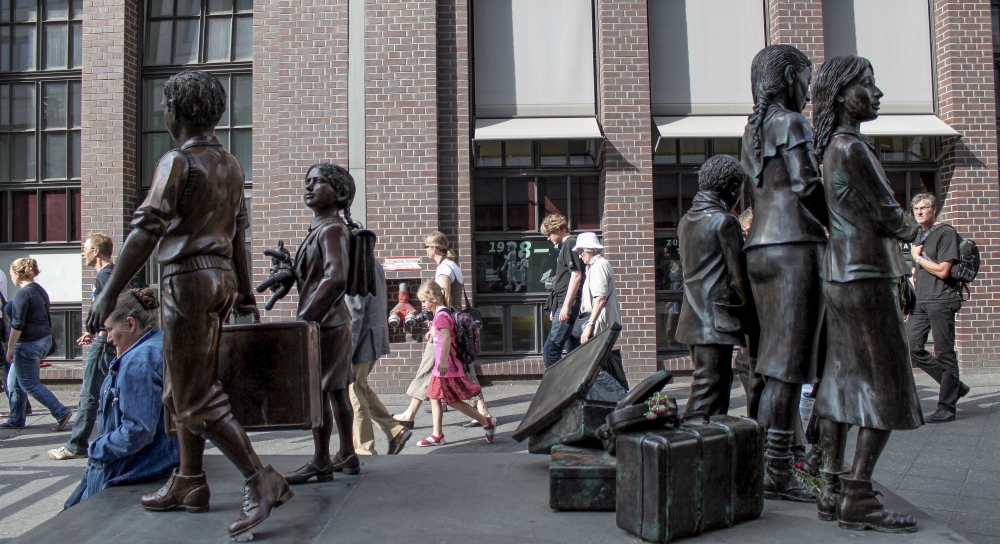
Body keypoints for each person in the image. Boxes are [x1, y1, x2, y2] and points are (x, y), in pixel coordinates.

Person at [86, 70, 290, 539]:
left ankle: (262, 480)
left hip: (189, 280)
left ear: (177, 111)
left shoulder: (178, 161)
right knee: (178, 390)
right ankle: (190, 480)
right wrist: (242, 290)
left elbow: (145, 229)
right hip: (217, 278)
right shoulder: (232, 165)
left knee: (194, 395)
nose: (163, 112)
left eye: (165, 105)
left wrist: (108, 291)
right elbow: (239, 232)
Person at [811, 55, 921, 532]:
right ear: (840, 96)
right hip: (867, 274)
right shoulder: (852, 148)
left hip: (841, 275)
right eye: (867, 86)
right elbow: (888, 213)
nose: (877, 94)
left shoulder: (831, 149)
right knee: (886, 382)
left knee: (841, 379)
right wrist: (917, 231)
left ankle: (831, 486)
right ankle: (858, 494)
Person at [740, 44, 827, 503]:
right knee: (790, 366)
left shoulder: (752, 130)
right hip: (794, 247)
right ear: (789, 75)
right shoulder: (792, 123)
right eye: (806, 79)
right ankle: (777, 467)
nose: (810, 90)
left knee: (771, 363)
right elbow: (808, 185)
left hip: (761, 249)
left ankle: (765, 456)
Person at [257, 163, 365, 483]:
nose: (309, 187)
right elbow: (318, 276)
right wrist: (291, 273)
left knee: (321, 391)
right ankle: (346, 453)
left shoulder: (332, 229)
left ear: (339, 192)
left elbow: (336, 279)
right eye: (307, 182)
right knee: (335, 391)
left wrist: (305, 320)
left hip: (326, 325)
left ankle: (321, 459)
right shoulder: (319, 229)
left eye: (318, 182)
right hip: (328, 323)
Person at [64, 289, 179, 509]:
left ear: (130, 324)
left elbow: (136, 431)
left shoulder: (137, 361)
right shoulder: (161, 343)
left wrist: (97, 448)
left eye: (109, 330)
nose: (107, 338)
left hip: (134, 467)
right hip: (160, 461)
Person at [675, 155, 750, 417]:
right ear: (731, 188)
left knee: (712, 385)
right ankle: (687, 445)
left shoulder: (685, 222)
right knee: (710, 391)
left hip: (692, 321)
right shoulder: (725, 221)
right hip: (715, 324)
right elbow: (739, 279)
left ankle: (708, 448)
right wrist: (750, 313)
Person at [394, 232, 492, 427]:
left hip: (446, 327)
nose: (426, 250)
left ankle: (410, 415)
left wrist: (434, 326)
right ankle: (482, 411)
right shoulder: (452, 265)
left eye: (426, 247)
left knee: (427, 366)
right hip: (455, 326)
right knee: (465, 368)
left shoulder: (444, 270)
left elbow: (443, 301)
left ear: (435, 248)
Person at [50, 233, 121, 460]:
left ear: (96, 251)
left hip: (105, 343)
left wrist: (103, 332)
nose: (82, 252)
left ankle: (77, 445)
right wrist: (93, 330)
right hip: (103, 338)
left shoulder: (106, 276)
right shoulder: (108, 275)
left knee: (89, 394)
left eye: (85, 248)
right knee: (107, 392)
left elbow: (116, 307)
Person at [907, 192, 970, 423]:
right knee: (913, 346)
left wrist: (917, 259)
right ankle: (953, 385)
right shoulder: (919, 234)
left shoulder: (946, 233)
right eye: (916, 209)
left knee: (944, 353)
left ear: (934, 209)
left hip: (941, 299)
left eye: (923, 208)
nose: (919, 212)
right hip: (922, 301)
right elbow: (918, 272)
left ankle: (947, 407)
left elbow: (943, 270)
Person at [413, 280, 497, 446]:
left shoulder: (441, 316)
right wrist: (432, 333)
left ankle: (486, 421)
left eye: (424, 301)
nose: (423, 305)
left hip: (446, 366)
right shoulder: (442, 314)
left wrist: (443, 361)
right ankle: (437, 434)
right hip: (444, 366)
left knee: (451, 400)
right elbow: (444, 335)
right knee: (434, 396)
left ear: (434, 298)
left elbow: (445, 338)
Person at [347, 254, 412, 455]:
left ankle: (364, 450)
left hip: (361, 339)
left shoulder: (353, 262)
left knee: (354, 392)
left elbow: (354, 311)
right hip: (373, 335)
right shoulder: (370, 260)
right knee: (360, 387)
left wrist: (346, 351)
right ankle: (395, 430)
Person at [1, 258, 72, 430]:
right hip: (41, 339)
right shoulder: (38, 290)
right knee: (14, 382)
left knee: (28, 383)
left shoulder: (23, 294)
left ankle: (60, 411)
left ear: (17, 274)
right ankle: (17, 418)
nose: (10, 277)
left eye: (11, 274)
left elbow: (18, 323)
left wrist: (10, 347)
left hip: (28, 343)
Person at [541, 214, 584, 367]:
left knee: (551, 349)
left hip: (568, 304)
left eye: (549, 234)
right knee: (573, 350)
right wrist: (557, 306)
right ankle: (577, 388)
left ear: (558, 229)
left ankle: (557, 388)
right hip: (564, 303)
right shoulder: (568, 245)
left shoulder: (570, 243)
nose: (548, 238)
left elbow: (576, 275)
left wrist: (565, 306)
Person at [574, 233, 621, 345]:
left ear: (591, 250)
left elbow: (600, 298)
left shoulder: (600, 265)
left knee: (598, 360)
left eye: (581, 252)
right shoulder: (592, 266)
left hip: (601, 325)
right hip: (599, 324)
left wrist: (589, 325)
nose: (580, 256)